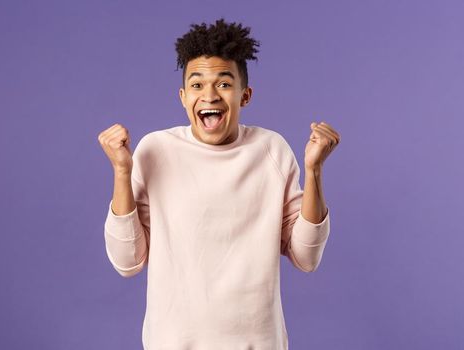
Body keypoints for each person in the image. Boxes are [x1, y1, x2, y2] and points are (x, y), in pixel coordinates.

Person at [97, 18, 340, 349]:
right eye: (197, 85)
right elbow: (127, 261)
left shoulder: (272, 150)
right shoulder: (156, 150)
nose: (209, 95)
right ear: (183, 96)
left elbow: (306, 257)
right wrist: (122, 172)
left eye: (224, 84)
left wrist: (313, 170)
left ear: (245, 95)